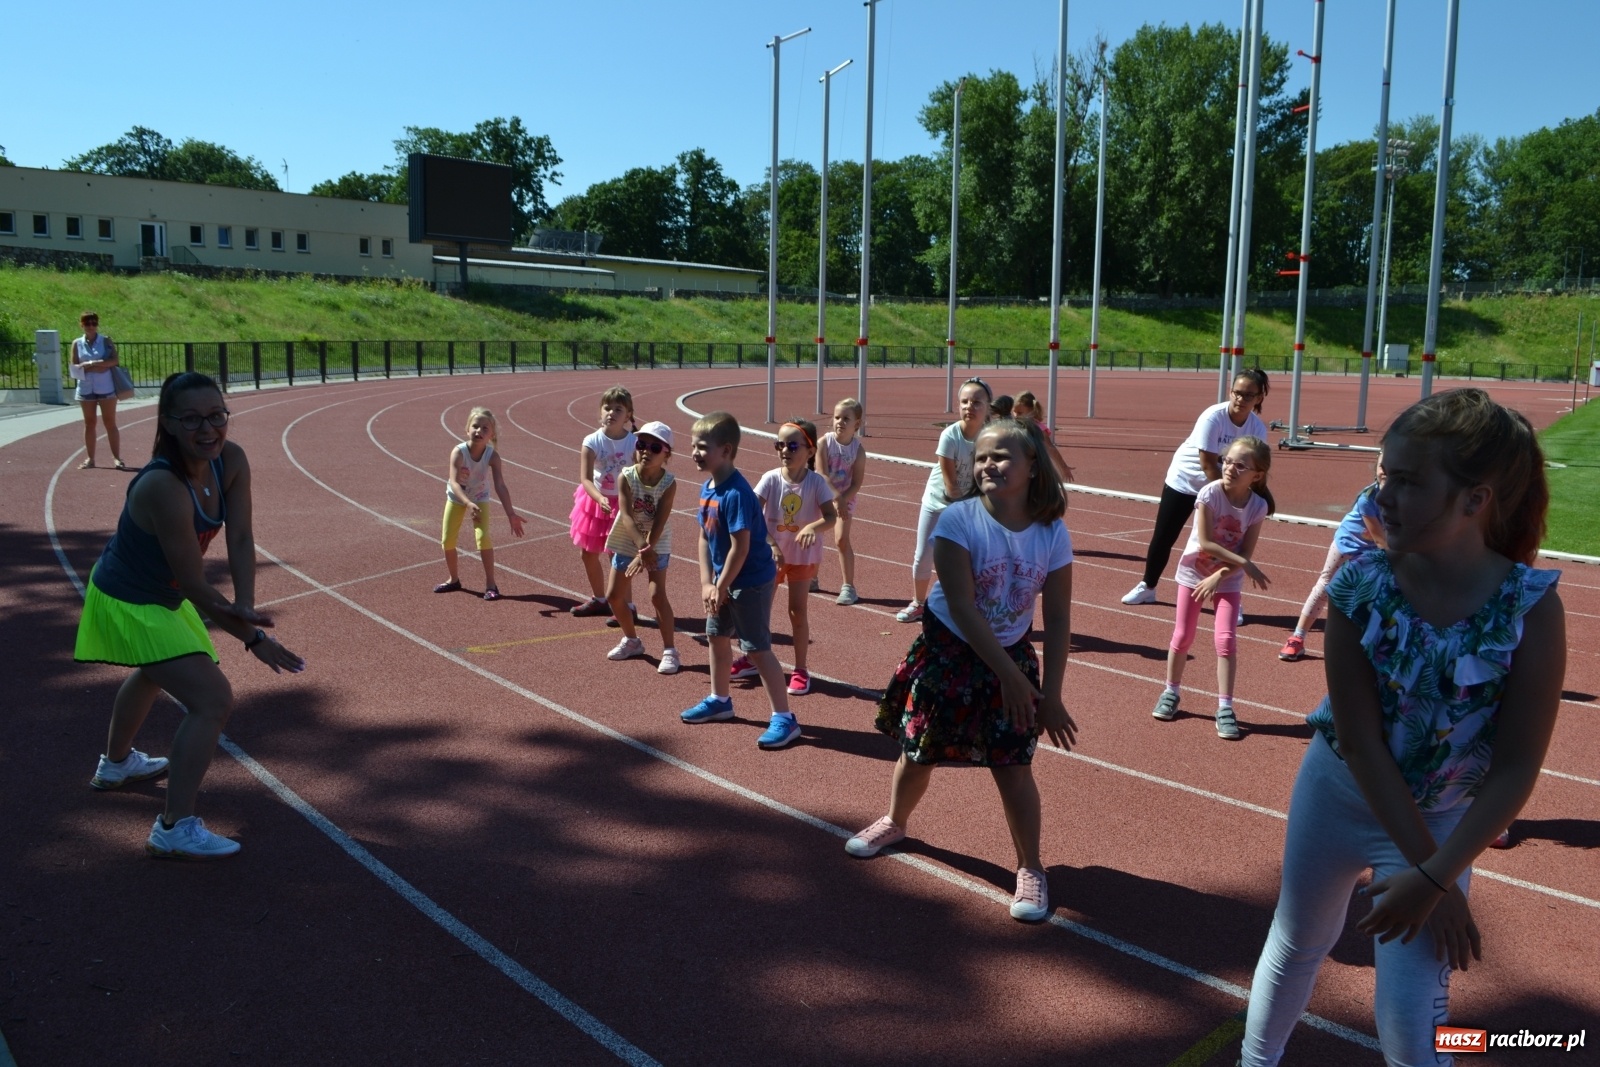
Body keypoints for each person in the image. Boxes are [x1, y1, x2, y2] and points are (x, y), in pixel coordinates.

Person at [1240, 389, 1565, 1066]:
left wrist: (1439, 873)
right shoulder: (1361, 585)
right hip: (1340, 794)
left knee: (1413, 1021)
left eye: (1408, 481)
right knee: (1297, 942)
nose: (1382, 494)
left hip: (1443, 825)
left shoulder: (1531, 607)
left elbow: (1514, 767)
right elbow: (1357, 739)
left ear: (1475, 500)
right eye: (1382, 474)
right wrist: (1434, 876)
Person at [845, 418, 1077, 923]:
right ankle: (895, 821)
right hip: (951, 649)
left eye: (1003, 456)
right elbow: (966, 610)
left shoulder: (1051, 531)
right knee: (919, 751)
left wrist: (1050, 694)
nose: (989, 464)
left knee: (1013, 765)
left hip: (1009, 655)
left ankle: (1031, 867)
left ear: (1032, 465)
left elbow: (1057, 618)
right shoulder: (958, 520)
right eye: (983, 456)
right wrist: (1014, 680)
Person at [75, 371, 305, 858]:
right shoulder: (163, 485)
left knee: (155, 671)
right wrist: (253, 638)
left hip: (163, 594)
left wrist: (244, 602)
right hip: (129, 599)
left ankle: (115, 765)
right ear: (169, 423)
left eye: (217, 415)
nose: (209, 429)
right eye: (193, 419)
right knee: (212, 700)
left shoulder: (231, 460)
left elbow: (241, 537)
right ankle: (174, 827)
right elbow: (198, 586)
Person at [679, 412, 800, 749]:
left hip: (749, 581)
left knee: (757, 649)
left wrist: (721, 585)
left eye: (702, 447)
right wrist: (707, 583)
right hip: (724, 580)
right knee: (716, 636)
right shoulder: (708, 487)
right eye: (693, 446)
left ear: (727, 450)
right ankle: (720, 700)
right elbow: (705, 538)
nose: (695, 452)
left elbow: (741, 547)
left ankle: (785, 719)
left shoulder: (737, 493)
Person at [1150, 436, 1275, 740]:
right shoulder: (1209, 493)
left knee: (1226, 639)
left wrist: (1222, 575)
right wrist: (1244, 565)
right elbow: (1205, 542)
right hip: (1193, 573)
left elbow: (1245, 551)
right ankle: (1171, 691)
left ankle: (1225, 707)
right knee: (1183, 635)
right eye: (1228, 461)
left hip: (1226, 578)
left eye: (1240, 465)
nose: (1230, 468)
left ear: (1256, 475)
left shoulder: (1257, 506)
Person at [1122, 370, 1269, 609]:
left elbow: (1255, 466)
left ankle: (1230, 597)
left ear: (1259, 398)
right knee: (1164, 537)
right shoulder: (1213, 416)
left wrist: (1260, 494)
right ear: (1230, 392)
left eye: (1249, 395)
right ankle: (1147, 586)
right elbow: (1208, 464)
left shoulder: (1257, 429)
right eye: (1237, 393)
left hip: (1224, 487)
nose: (1241, 399)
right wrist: (1227, 497)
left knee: (1227, 543)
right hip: (1187, 481)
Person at [752, 419, 838, 696]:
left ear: (810, 452)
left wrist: (813, 527)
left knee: (797, 612)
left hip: (803, 557)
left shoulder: (816, 483)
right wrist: (771, 544)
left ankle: (800, 669)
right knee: (759, 611)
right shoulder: (770, 479)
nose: (784, 450)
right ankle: (752, 656)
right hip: (770, 557)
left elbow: (831, 517)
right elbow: (753, 515)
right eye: (780, 444)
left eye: (792, 445)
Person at [898, 377, 993, 623]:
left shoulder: (990, 437)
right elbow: (951, 485)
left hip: (969, 504)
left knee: (973, 560)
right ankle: (919, 603)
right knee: (925, 554)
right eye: (964, 402)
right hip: (939, 502)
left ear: (988, 406)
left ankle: (965, 607)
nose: (969, 407)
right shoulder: (950, 435)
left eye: (976, 402)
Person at [1278, 464, 1386, 662]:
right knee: (1325, 585)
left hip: (1372, 550)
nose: (1385, 471)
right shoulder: (1368, 498)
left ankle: (1368, 648)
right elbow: (1381, 540)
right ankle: (1297, 637)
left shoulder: (1407, 497)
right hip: (1347, 546)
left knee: (1371, 597)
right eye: (1382, 465)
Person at [603, 421, 681, 674]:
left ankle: (670, 650)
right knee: (614, 595)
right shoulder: (626, 476)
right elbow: (625, 514)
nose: (646, 450)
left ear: (666, 453)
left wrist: (647, 550)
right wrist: (640, 548)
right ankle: (632, 640)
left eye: (655, 446)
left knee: (657, 594)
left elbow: (660, 519)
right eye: (642, 444)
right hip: (629, 537)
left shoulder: (669, 482)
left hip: (657, 540)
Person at [432, 407, 526, 600]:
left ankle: (491, 584)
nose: (479, 431)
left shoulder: (492, 456)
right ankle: (454, 579)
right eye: (475, 426)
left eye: (485, 428)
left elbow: (500, 485)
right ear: (467, 429)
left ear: (491, 434)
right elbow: (454, 482)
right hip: (458, 498)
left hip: (480, 497)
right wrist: (467, 503)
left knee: (483, 538)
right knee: (447, 540)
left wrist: (511, 514)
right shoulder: (458, 452)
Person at [569, 386, 638, 618]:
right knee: (588, 553)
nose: (611, 413)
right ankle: (599, 599)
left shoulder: (633, 443)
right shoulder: (591, 441)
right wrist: (598, 498)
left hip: (623, 504)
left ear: (628, 415)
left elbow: (639, 475)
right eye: (607, 408)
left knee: (618, 556)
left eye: (618, 409)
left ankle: (628, 607)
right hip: (594, 502)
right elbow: (585, 478)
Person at [819, 398, 868, 605]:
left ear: (857, 424)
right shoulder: (824, 443)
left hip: (846, 498)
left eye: (846, 418)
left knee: (841, 540)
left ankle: (848, 586)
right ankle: (811, 576)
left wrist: (841, 500)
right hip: (821, 496)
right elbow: (821, 473)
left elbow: (856, 483)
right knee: (814, 536)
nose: (840, 422)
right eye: (837, 417)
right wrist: (834, 498)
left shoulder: (858, 451)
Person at [70, 312, 128, 471]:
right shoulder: (77, 343)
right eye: (87, 323)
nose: (91, 326)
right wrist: (96, 366)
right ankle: (90, 459)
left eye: (94, 323)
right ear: (81, 324)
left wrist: (94, 363)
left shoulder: (106, 341)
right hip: (86, 387)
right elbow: (75, 367)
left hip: (106, 387)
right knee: (90, 423)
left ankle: (117, 458)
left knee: (110, 423)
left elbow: (114, 361)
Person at [1013, 390, 1074, 484]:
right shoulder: (1011, 425)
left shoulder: (1037, 428)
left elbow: (1050, 448)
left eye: (1020, 413)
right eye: (1014, 412)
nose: (1016, 416)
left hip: (1033, 468)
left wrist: (1063, 467)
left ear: (1031, 411)